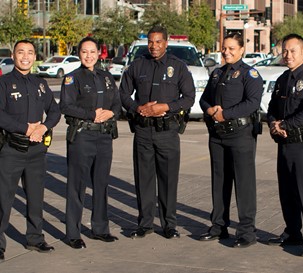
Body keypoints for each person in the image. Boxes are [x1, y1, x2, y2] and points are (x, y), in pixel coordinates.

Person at [120, 25, 195, 239]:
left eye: (158, 42)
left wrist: (165, 107)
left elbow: (189, 97)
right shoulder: (137, 65)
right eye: (151, 42)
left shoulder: (178, 67)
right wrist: (137, 108)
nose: (154, 46)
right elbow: (123, 93)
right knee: (144, 179)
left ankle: (169, 224)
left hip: (167, 132)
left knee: (168, 179)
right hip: (143, 131)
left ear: (166, 43)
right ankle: (144, 223)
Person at [199, 32, 263, 248]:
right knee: (219, 181)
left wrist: (225, 114)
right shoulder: (217, 73)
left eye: (231, 48)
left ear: (241, 50)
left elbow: (253, 102)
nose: (226, 52)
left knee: (244, 184)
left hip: (240, 135)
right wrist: (210, 110)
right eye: (224, 48)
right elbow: (204, 98)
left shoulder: (249, 74)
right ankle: (218, 226)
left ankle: (246, 232)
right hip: (217, 136)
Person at [0, 40, 61, 260]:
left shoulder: (40, 84)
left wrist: (43, 127)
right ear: (13, 55)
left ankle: (35, 238)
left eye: (30, 52)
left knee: (36, 197)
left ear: (35, 56)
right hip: (12, 149)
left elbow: (55, 111)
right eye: (20, 52)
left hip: (36, 151)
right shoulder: (4, 83)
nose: (25, 56)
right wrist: (26, 128)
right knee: (3, 198)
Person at [60, 37, 121, 249]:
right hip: (82, 136)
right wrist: (90, 115)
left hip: (104, 137)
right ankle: (73, 233)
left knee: (101, 184)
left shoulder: (106, 77)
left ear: (98, 53)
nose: (89, 56)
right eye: (84, 52)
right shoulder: (72, 78)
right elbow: (66, 106)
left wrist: (111, 112)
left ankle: (100, 228)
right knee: (77, 186)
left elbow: (117, 103)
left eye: (92, 51)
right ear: (79, 54)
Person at [267, 33, 303, 257]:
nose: (288, 55)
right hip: (285, 143)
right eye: (285, 51)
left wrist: (285, 123)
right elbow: (271, 108)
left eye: (292, 51)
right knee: (287, 191)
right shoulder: (282, 80)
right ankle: (292, 233)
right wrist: (272, 124)